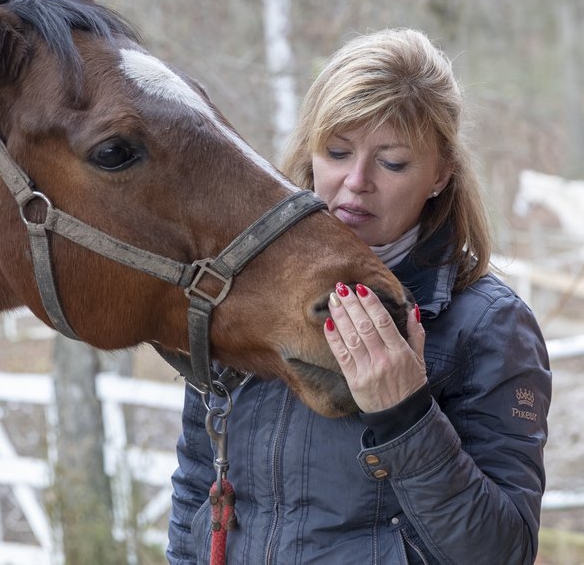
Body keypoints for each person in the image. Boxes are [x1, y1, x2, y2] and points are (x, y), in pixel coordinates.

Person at [166, 28, 551, 564]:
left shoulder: (489, 326)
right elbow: (197, 491)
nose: (355, 181)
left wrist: (406, 416)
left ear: (440, 173)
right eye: (337, 151)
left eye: (392, 162)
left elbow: (502, 552)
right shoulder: (240, 293)